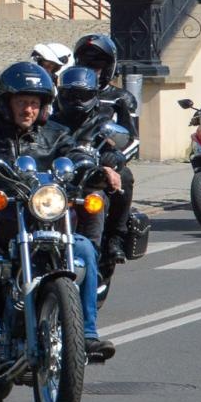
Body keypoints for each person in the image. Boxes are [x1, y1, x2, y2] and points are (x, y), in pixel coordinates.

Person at [0, 62, 114, 362]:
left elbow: (77, 156)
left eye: (34, 103)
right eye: (22, 102)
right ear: (6, 103)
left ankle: (87, 334)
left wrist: (99, 171)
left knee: (83, 248)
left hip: (46, 218)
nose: (29, 110)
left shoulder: (57, 134)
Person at [51, 66, 132, 268]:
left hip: (89, 185)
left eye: (83, 94)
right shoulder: (48, 124)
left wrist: (109, 164)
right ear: (60, 95)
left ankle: (114, 237)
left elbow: (117, 151)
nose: (77, 100)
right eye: (71, 94)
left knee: (124, 178)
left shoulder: (101, 124)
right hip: (54, 186)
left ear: (94, 96)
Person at [70, 33, 140, 250]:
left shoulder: (121, 98)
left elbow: (133, 139)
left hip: (105, 159)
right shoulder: (66, 94)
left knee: (125, 177)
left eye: (98, 64)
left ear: (109, 66)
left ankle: (116, 236)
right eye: (86, 64)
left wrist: (116, 159)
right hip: (70, 158)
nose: (92, 69)